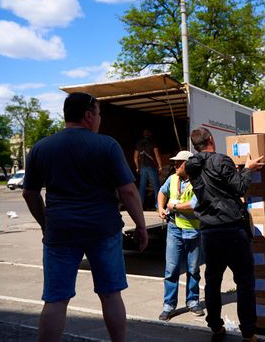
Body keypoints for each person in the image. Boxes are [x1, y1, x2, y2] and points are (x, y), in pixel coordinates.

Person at [22, 92, 148, 342]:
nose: (100, 119)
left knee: (56, 299)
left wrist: (46, 225)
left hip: (60, 232)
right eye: (99, 113)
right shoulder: (107, 145)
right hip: (103, 230)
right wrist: (141, 226)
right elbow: (128, 190)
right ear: (88, 116)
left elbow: (29, 193)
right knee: (111, 294)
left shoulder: (42, 148)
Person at [185, 127, 264, 342]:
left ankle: (216, 328)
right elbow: (239, 188)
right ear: (211, 139)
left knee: (213, 280)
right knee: (245, 281)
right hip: (231, 229)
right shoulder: (221, 160)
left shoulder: (192, 166)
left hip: (209, 231)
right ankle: (248, 332)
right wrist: (248, 169)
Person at [157, 150, 204, 321]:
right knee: (171, 269)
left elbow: (195, 205)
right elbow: (162, 193)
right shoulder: (173, 179)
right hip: (174, 229)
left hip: (193, 230)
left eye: (179, 162)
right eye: (175, 162)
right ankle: (169, 306)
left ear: (188, 164)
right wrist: (161, 208)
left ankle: (193, 302)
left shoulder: (199, 181)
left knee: (193, 269)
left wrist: (173, 207)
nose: (175, 165)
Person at [134, 129, 163, 208]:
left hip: (142, 167)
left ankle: (139, 206)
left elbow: (135, 157)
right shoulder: (153, 142)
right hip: (151, 167)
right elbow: (157, 155)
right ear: (150, 134)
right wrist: (160, 166)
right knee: (156, 186)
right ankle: (158, 205)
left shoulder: (139, 143)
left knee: (142, 187)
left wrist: (137, 167)